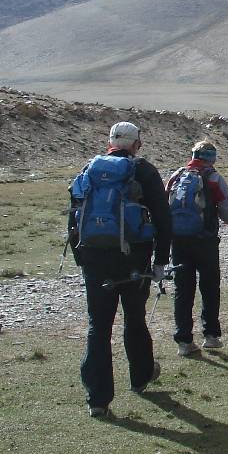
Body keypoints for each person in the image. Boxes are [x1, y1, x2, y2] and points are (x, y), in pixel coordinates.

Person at [68, 121, 172, 417]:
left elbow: (74, 214)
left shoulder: (90, 169)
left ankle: (98, 399)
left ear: (110, 142)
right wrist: (161, 261)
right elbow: (163, 219)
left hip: (95, 257)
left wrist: (82, 258)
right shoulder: (144, 171)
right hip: (134, 259)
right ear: (137, 143)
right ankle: (140, 378)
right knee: (134, 318)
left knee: (98, 326)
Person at [165, 140, 228, 357]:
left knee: (183, 290)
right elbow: (227, 214)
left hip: (178, 241)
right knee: (209, 287)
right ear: (212, 158)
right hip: (205, 241)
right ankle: (211, 336)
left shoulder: (176, 177)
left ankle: (184, 340)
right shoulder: (214, 178)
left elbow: (164, 206)